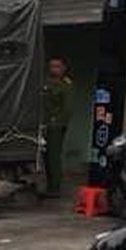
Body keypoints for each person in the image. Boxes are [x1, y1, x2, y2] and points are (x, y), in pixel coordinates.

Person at [43, 56, 74, 199]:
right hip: (45, 124)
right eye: (51, 66)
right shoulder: (46, 82)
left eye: (57, 66)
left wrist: (58, 122)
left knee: (53, 156)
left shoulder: (66, 85)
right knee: (46, 155)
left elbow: (67, 108)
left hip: (56, 125)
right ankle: (50, 185)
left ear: (63, 68)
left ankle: (55, 188)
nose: (54, 69)